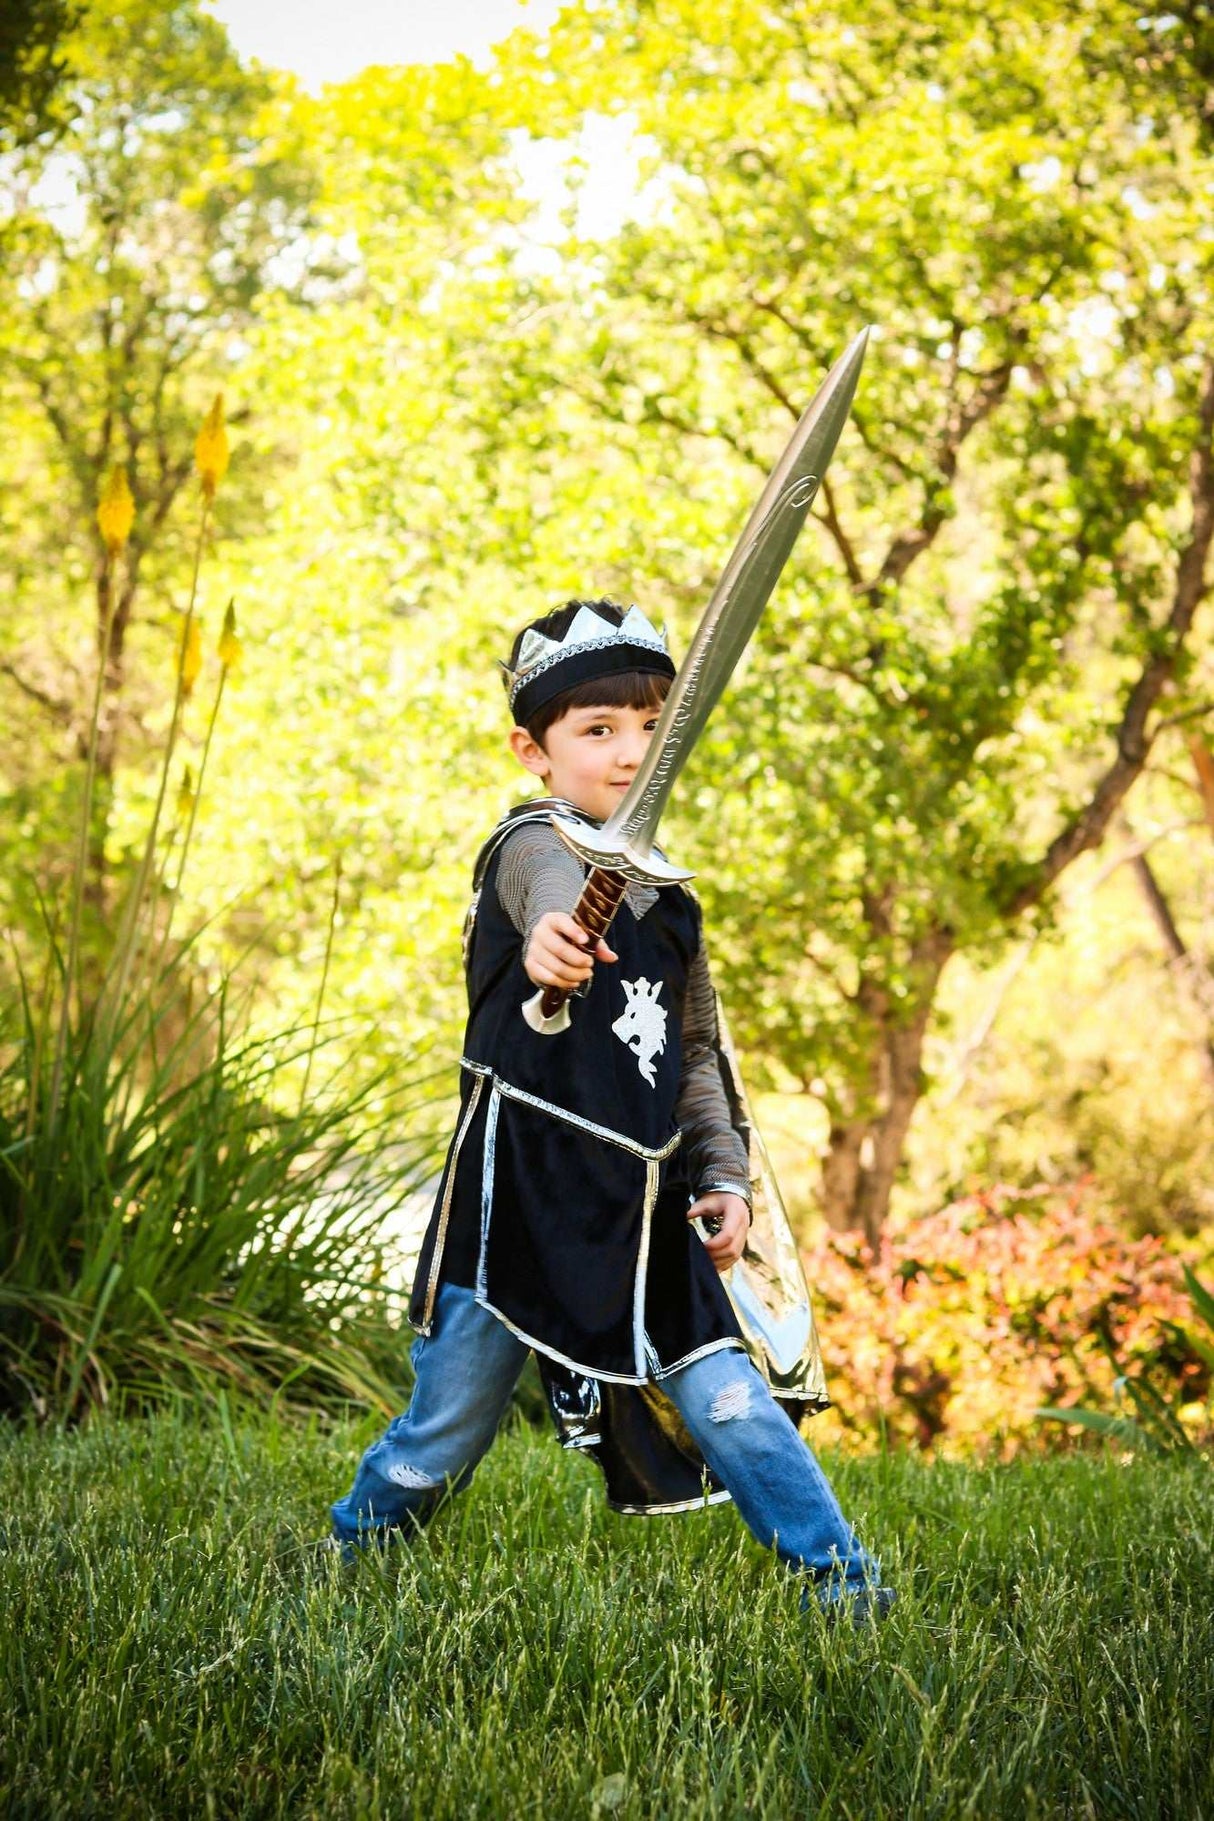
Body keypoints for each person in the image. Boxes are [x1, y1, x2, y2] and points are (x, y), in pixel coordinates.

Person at [329, 598, 893, 1620]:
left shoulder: (670, 902)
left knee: (727, 1396)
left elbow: (693, 1055)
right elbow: (546, 889)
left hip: (641, 1205)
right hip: (522, 1202)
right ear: (531, 751)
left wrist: (718, 1173)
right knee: (448, 1423)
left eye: (649, 726)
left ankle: (846, 1590)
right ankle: (349, 1556)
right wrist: (553, 932)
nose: (629, 752)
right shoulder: (527, 847)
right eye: (596, 730)